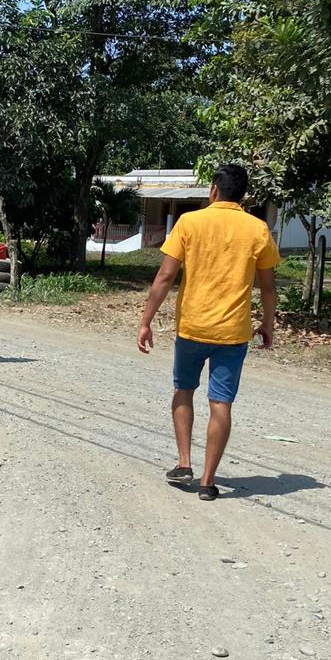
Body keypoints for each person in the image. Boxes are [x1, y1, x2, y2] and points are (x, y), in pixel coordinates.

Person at [136, 164, 280, 501]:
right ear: (244, 195)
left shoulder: (190, 222)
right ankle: (207, 481)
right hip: (233, 333)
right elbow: (268, 287)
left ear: (214, 189)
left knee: (183, 390)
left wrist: (146, 321)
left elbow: (165, 277)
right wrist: (267, 323)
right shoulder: (257, 229)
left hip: (192, 327)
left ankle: (184, 462)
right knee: (221, 403)